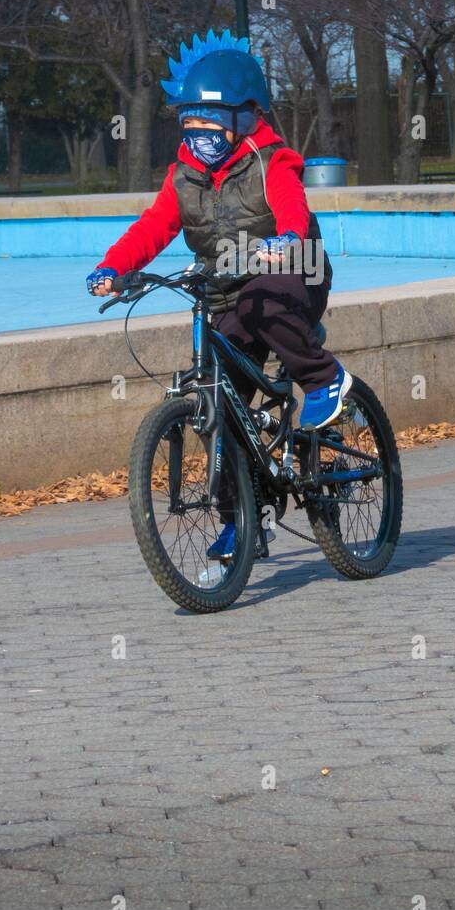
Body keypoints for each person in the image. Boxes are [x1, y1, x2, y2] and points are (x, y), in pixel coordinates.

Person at [86, 29, 352, 560]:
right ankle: (244, 522)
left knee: (262, 299)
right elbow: (153, 228)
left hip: (292, 269)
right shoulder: (183, 177)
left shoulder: (270, 160)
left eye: (210, 124)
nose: (198, 134)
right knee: (219, 401)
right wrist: (115, 267)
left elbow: (293, 209)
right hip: (228, 290)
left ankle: (325, 380)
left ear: (244, 117)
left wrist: (287, 241)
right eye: (190, 124)